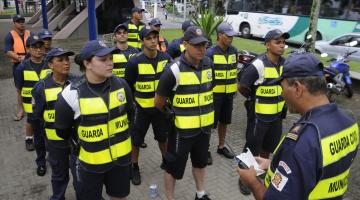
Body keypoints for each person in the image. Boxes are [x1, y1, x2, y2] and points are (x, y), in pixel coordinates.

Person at [238, 52, 359, 200]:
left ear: (297, 88)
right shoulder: (349, 120)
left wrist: (252, 182)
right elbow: (319, 167)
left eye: (282, 87)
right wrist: (274, 165)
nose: (282, 94)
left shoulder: (302, 140)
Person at [54, 40, 134, 200]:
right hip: (89, 164)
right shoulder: (71, 94)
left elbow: (130, 115)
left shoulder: (122, 85)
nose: (110, 63)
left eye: (111, 58)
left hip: (121, 160)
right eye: (103, 60)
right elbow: (62, 131)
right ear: (87, 63)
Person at [155, 26, 214, 200]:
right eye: (196, 45)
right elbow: (159, 102)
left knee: (200, 162)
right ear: (185, 44)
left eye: (204, 45)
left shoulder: (209, 65)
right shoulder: (174, 70)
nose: (201, 49)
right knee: (173, 167)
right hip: (182, 132)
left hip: (204, 129)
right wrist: (173, 116)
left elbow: (211, 88)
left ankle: (200, 193)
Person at [125, 26, 172, 185]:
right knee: (136, 140)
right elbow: (128, 86)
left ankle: (165, 160)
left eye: (155, 37)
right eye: (148, 38)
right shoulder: (134, 62)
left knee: (163, 138)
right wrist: (133, 105)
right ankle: (134, 166)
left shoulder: (166, 58)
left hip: (160, 109)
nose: (153, 41)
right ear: (142, 41)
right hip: (141, 110)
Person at [31, 48, 78, 200]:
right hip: (55, 142)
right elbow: (36, 116)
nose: (66, 63)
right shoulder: (41, 87)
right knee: (59, 175)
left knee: (80, 175)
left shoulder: (78, 82)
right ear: (50, 65)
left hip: (77, 141)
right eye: (61, 60)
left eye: (67, 59)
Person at [238, 29, 289, 158]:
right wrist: (252, 98)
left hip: (277, 118)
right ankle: (244, 177)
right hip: (258, 119)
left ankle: (260, 176)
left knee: (267, 149)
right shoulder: (258, 65)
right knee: (251, 154)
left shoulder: (285, 64)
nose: (282, 45)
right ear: (267, 45)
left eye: (283, 42)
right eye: (278, 42)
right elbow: (242, 87)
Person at [14, 35, 50, 175]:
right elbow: (19, 90)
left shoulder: (50, 63)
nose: (38, 50)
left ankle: (54, 158)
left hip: (50, 109)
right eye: (34, 47)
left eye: (40, 46)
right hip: (33, 111)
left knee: (52, 137)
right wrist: (21, 109)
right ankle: (41, 163)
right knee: (39, 139)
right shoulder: (21, 68)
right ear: (28, 49)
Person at [205, 22, 238, 164]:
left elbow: (234, 71)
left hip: (229, 95)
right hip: (214, 96)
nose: (231, 38)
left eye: (232, 36)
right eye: (228, 35)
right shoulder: (210, 53)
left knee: (224, 121)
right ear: (220, 35)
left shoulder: (234, 51)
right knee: (210, 124)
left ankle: (221, 146)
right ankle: (204, 150)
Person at [4, 14, 33, 123]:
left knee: (36, 85)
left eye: (22, 21)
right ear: (14, 23)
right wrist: (20, 58)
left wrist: (28, 56)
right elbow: (7, 51)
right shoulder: (9, 36)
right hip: (18, 65)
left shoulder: (30, 34)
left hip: (31, 63)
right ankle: (21, 110)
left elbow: (36, 45)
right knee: (19, 88)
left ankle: (36, 106)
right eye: (19, 21)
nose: (21, 23)